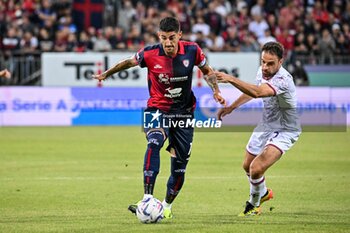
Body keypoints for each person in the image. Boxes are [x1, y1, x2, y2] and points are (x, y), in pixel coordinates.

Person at [92, 17, 226, 219]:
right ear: (159, 36)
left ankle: (166, 206)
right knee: (154, 141)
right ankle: (147, 198)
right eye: (164, 38)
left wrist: (215, 90)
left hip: (184, 113)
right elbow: (128, 62)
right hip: (156, 109)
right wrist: (106, 74)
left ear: (179, 35)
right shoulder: (149, 53)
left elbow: (207, 71)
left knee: (179, 168)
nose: (168, 43)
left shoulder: (193, 50)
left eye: (172, 38)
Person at [215, 42, 301, 216]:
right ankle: (263, 193)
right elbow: (251, 91)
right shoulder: (262, 71)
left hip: (285, 129)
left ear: (280, 62)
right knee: (247, 165)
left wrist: (231, 79)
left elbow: (258, 93)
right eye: (263, 62)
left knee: (256, 168)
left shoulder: (283, 80)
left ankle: (253, 205)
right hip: (266, 125)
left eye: (270, 63)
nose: (265, 66)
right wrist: (232, 107)